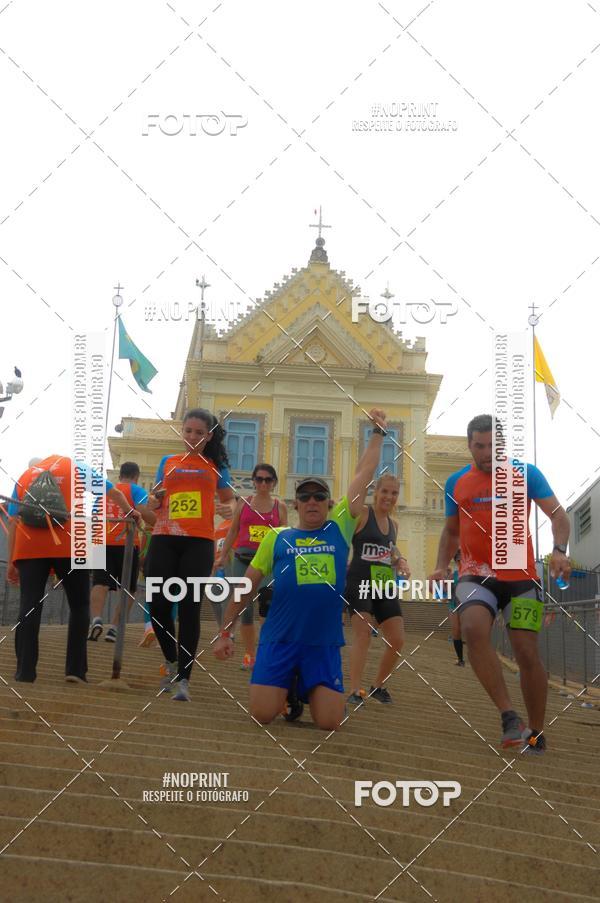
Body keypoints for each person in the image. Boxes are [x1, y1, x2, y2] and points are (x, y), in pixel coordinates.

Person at [214, 409, 390, 731]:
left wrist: (377, 432)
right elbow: (245, 586)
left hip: (322, 643)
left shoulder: (340, 527)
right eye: (305, 497)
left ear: (328, 503)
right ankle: (290, 685)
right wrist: (225, 631)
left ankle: (301, 683)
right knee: (262, 714)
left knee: (330, 722)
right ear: (295, 504)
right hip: (279, 640)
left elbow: (364, 472)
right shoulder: (278, 537)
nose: (312, 501)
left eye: (319, 496)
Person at [429, 414, 571, 754]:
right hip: (476, 574)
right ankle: (509, 716)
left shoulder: (526, 474)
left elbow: (559, 516)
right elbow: (451, 531)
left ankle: (535, 730)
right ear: (469, 446)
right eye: (480, 446)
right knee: (475, 628)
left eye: (494, 445)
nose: (487, 453)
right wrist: (438, 566)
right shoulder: (456, 482)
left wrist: (559, 551)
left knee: (526, 653)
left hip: (522, 578)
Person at [6, 455, 140, 683]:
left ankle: (25, 672)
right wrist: (131, 512)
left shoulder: (27, 476)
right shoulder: (76, 469)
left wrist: (12, 561)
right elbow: (114, 493)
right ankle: (75, 671)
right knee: (79, 605)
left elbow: (13, 520)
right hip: (70, 544)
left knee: (29, 606)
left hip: (30, 547)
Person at [145, 408, 234, 702]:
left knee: (189, 607)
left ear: (208, 436)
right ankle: (171, 660)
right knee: (157, 605)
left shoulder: (215, 466)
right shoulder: (167, 462)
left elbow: (229, 500)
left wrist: (227, 509)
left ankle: (184, 678)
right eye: (188, 431)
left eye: (199, 432)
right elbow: (155, 499)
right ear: (182, 432)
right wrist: (154, 500)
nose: (192, 437)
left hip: (198, 542)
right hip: (164, 537)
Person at [213, 464, 287, 670]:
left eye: (268, 480)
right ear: (253, 481)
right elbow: (233, 530)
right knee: (242, 609)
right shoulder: (244, 503)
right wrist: (222, 554)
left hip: (267, 564)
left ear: (273, 483)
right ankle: (250, 655)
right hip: (242, 559)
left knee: (267, 607)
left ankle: (267, 653)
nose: (263, 483)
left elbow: (285, 536)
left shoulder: (279, 506)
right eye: (259, 479)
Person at [345, 474, 411, 706]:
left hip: (383, 584)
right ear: (376, 492)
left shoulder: (394, 525)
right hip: (359, 581)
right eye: (385, 492)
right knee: (363, 634)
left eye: (394, 493)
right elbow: (343, 538)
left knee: (397, 639)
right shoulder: (363, 514)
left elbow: (391, 552)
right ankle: (354, 689)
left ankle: (378, 686)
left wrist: (400, 562)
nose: (389, 497)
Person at [88, 462, 156, 642]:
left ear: (120, 476)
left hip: (100, 541)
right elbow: (142, 511)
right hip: (125, 543)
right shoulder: (137, 490)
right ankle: (114, 628)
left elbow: (94, 518)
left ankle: (95, 619)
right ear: (136, 476)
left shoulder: (105, 492)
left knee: (99, 582)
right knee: (128, 588)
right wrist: (160, 523)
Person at [447, 551, 464, 666]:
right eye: (458, 559)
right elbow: (447, 593)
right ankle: (460, 659)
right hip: (454, 605)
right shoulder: (453, 575)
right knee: (456, 632)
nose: (460, 561)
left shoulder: (472, 574)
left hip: (469, 605)